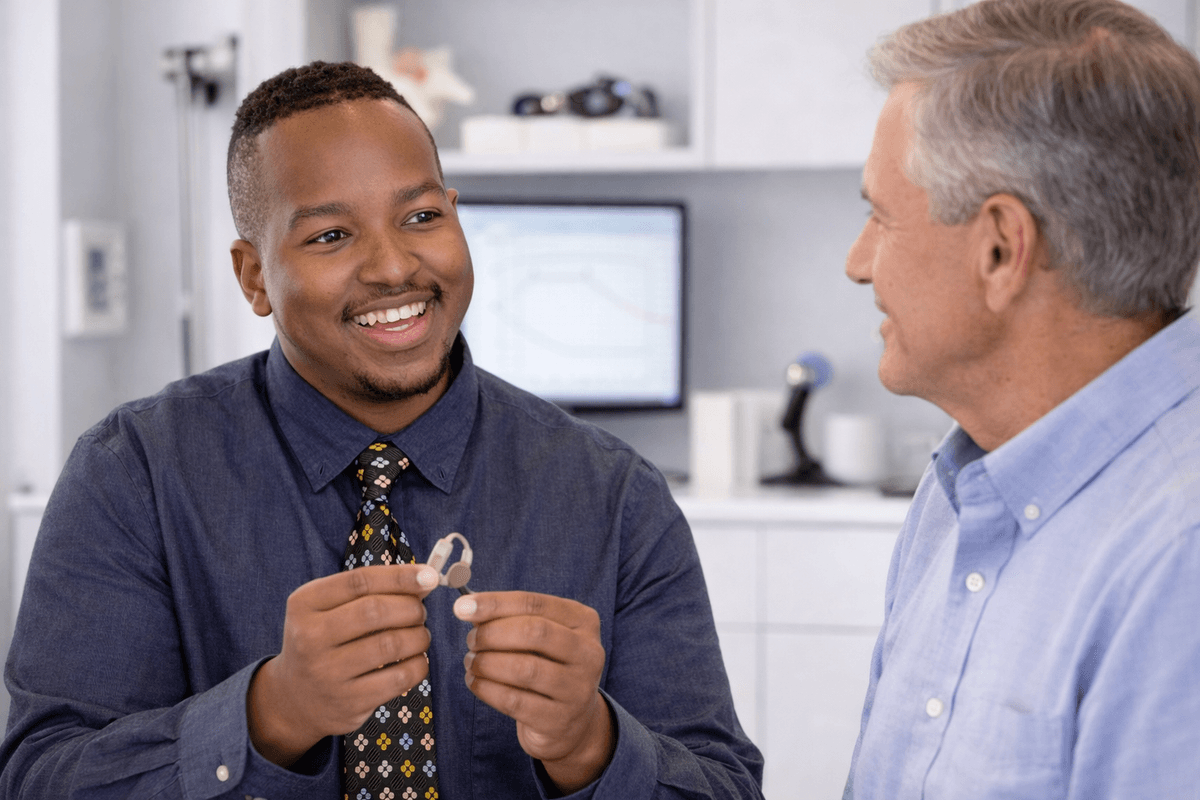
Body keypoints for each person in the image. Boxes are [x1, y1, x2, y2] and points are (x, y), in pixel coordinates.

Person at [0, 61, 763, 799]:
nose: (394, 266)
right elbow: (42, 778)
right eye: (331, 236)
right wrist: (270, 715)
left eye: (422, 217)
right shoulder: (133, 474)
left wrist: (590, 744)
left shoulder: (614, 495)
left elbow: (725, 787)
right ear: (254, 276)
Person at [842, 0, 1200, 797]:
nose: (858, 263)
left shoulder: (1180, 557)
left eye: (880, 218)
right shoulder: (963, 488)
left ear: (1002, 247)